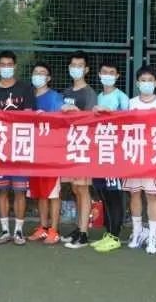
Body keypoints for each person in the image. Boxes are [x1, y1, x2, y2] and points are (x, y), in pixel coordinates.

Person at [0, 50, 36, 246]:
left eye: (9, 64)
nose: (6, 67)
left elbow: (30, 115)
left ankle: (18, 231)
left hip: (20, 146)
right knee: (2, 191)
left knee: (19, 191)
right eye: (3, 64)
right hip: (0, 147)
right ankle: (5, 230)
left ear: (15, 66)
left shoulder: (25, 88)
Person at [123, 66, 156, 255]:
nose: (146, 83)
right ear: (137, 83)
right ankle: (137, 233)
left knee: (152, 196)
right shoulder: (130, 103)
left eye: (150, 80)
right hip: (134, 155)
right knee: (134, 194)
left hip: (153, 157)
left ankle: (152, 236)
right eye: (143, 80)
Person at [59, 51, 97, 250]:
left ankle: (83, 233)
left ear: (86, 69)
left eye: (80, 65)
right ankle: (78, 228)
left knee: (83, 188)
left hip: (84, 146)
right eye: (73, 65)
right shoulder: (66, 92)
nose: (76, 69)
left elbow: (91, 119)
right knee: (75, 189)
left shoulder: (89, 93)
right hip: (69, 145)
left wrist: (76, 112)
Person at [91, 61, 130, 253]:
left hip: (115, 153)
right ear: (99, 74)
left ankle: (115, 235)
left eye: (111, 72)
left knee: (114, 195)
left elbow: (128, 121)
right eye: (104, 72)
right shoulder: (98, 96)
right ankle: (108, 233)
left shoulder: (121, 97)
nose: (107, 75)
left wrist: (110, 114)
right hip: (100, 152)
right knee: (104, 194)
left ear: (117, 76)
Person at [27, 62, 65, 245]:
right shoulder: (28, 96)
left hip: (51, 152)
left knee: (53, 193)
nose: (38, 76)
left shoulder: (55, 97)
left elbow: (61, 122)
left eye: (42, 73)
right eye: (36, 72)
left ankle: (54, 230)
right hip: (32, 151)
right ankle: (43, 227)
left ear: (48, 78)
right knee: (40, 192)